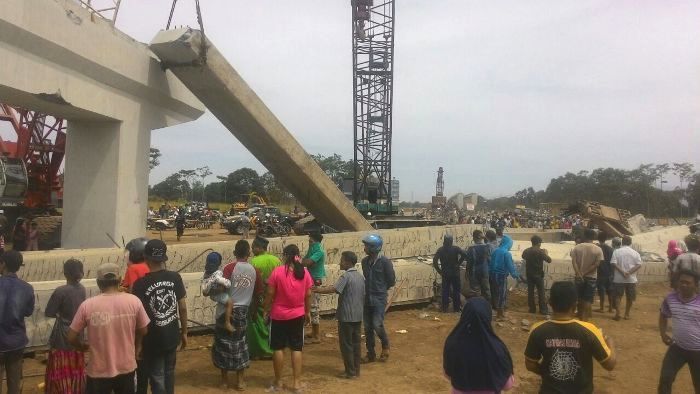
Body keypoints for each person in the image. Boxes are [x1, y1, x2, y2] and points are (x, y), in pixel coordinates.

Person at [67, 263, 150, 394]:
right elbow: (144, 330)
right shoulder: (134, 301)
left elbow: (71, 337)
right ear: (120, 279)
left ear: (98, 283)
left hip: (98, 370)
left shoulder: (87, 306)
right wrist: (137, 344)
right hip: (126, 367)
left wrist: (81, 347)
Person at [525, 281, 616, 393]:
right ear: (575, 305)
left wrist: (551, 372)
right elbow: (609, 365)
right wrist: (610, 342)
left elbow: (530, 364)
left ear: (550, 302)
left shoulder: (538, 330)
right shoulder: (589, 330)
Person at [132, 240, 188, 394]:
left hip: (152, 339)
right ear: (164, 258)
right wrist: (184, 332)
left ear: (146, 258)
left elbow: (139, 319)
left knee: (157, 376)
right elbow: (182, 308)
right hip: (172, 336)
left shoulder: (140, 284)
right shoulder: (175, 277)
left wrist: (139, 343)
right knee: (169, 373)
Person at [263, 244, 313, 392]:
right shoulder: (304, 272)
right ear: (298, 255)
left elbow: (270, 293)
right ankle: (297, 384)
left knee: (278, 348)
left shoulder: (278, 272)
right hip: (297, 315)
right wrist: (308, 311)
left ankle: (278, 382)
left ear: (285, 256)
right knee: (296, 348)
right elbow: (308, 294)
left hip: (279, 315)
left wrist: (265, 309)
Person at [213, 240, 263, 390]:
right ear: (249, 253)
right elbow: (258, 296)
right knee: (241, 344)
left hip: (224, 311)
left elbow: (221, 288)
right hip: (243, 311)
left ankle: (224, 381)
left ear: (235, 253)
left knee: (222, 344)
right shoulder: (255, 271)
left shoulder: (228, 268)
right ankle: (240, 381)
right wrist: (254, 313)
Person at [444, 297, 515, 393]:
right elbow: (507, 385)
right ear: (488, 317)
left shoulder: (453, 344)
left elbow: (448, 375)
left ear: (464, 316)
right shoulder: (497, 349)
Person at [314, 251, 365, 379]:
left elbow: (334, 289)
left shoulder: (345, 277)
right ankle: (356, 370)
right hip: (358, 315)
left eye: (342, 260)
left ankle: (350, 372)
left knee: (346, 344)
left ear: (348, 262)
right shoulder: (360, 277)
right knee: (356, 344)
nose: (340, 263)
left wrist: (317, 290)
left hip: (346, 316)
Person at [44, 259, 87, 394]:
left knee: (61, 366)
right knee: (76, 363)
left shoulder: (61, 291)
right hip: (78, 332)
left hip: (63, 333)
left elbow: (49, 312)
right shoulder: (82, 289)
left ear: (65, 273)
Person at [658, 270, 700, 393]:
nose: (683, 285)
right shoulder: (670, 299)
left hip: (698, 351)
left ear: (696, 285)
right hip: (677, 348)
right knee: (665, 379)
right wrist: (663, 333)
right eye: (681, 282)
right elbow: (663, 315)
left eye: (688, 283)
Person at [0, 251, 34, 394]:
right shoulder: (27, 288)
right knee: (14, 383)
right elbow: (28, 312)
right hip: (16, 343)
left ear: (4, 264)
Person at [361, 234, 396, 363]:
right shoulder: (364, 262)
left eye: (367, 246)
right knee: (367, 327)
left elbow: (391, 281)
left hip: (379, 298)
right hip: (367, 297)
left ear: (374, 248)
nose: (364, 248)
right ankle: (370, 353)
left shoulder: (385, 262)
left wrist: (380, 289)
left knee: (377, 324)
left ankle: (385, 346)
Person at [247, 236, 281, 360]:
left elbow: (253, 281)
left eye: (253, 247)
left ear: (259, 248)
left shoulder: (254, 262)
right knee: (272, 322)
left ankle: (260, 350)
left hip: (260, 296)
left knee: (258, 322)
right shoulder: (276, 260)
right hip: (274, 295)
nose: (251, 250)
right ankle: (273, 349)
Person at [570, 229, 604, 321]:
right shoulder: (598, 249)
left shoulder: (577, 247)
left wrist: (579, 273)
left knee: (578, 297)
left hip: (578, 276)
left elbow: (574, 262)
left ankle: (579, 315)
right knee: (588, 299)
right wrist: (585, 273)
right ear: (594, 237)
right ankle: (585, 319)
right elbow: (596, 264)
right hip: (591, 277)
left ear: (584, 236)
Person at [489, 235, 521, 320]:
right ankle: (500, 314)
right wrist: (516, 276)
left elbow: (490, 263)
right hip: (501, 275)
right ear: (508, 244)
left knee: (495, 293)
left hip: (492, 275)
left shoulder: (495, 251)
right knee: (502, 294)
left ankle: (495, 310)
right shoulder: (506, 253)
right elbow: (511, 267)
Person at [302, 232, 326, 344]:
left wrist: (301, 261)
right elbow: (304, 261)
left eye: (311, 241)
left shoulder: (319, 252)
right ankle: (313, 332)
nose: (309, 243)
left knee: (314, 308)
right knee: (311, 307)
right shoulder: (314, 250)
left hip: (315, 281)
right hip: (310, 280)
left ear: (316, 242)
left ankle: (316, 335)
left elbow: (307, 262)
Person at [433, 234, 467, 312]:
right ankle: (457, 308)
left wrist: (439, 271)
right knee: (456, 290)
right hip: (455, 272)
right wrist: (458, 263)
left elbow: (435, 261)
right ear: (452, 241)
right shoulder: (456, 249)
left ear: (444, 241)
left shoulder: (440, 250)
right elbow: (465, 255)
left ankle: (444, 308)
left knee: (445, 291)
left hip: (445, 273)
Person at [201, 252, 234, 331]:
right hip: (216, 295)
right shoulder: (217, 275)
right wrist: (229, 283)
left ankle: (227, 316)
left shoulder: (206, 273)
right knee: (230, 302)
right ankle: (227, 322)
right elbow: (225, 283)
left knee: (224, 305)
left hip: (212, 295)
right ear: (218, 263)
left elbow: (205, 292)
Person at [522, 235, 551, 315]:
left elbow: (523, 257)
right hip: (538, 275)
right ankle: (543, 310)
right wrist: (546, 253)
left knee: (530, 292)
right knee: (541, 292)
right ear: (539, 243)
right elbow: (549, 260)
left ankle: (532, 309)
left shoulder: (526, 251)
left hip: (529, 275)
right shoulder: (541, 251)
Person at [464, 230, 491, 299]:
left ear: (473, 238)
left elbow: (469, 262)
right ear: (481, 237)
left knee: (475, 292)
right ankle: (487, 307)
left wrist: (467, 271)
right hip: (484, 272)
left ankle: (476, 306)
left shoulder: (471, 248)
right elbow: (489, 260)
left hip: (474, 273)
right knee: (486, 290)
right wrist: (484, 237)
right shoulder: (487, 247)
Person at [596, 232, 614, 313]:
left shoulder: (597, 248)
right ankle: (610, 307)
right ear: (606, 239)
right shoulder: (610, 249)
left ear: (598, 238)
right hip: (609, 272)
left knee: (601, 290)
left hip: (600, 272)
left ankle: (602, 307)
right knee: (609, 291)